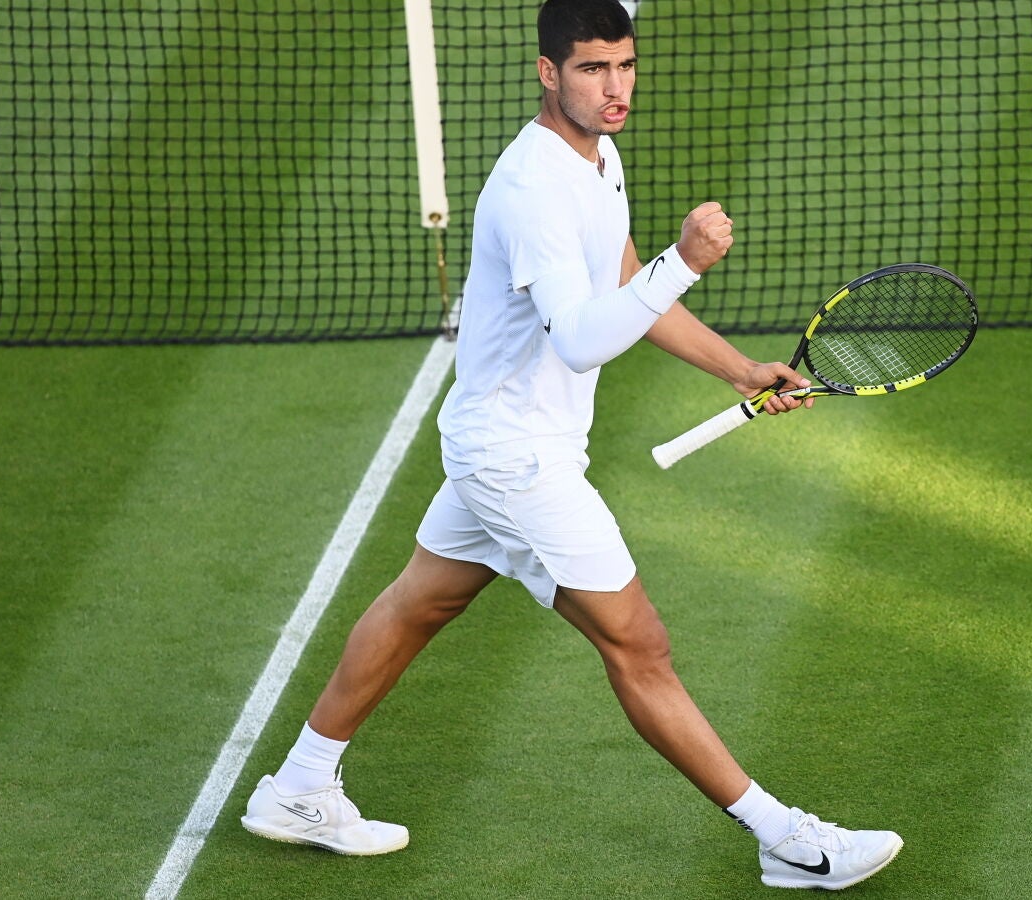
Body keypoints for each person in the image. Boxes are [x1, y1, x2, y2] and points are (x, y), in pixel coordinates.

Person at [241, 0, 901, 890]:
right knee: (640, 645)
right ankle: (789, 842)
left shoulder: (598, 155)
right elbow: (583, 338)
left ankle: (299, 787)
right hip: (516, 461)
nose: (615, 87)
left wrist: (739, 368)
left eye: (625, 66)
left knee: (418, 603)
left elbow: (623, 282)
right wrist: (687, 259)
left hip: (501, 444)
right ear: (548, 72)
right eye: (593, 69)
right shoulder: (533, 190)